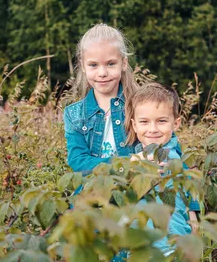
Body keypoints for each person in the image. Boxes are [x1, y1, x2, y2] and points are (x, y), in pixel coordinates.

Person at [125, 82, 200, 256]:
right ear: (134, 125)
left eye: (161, 121)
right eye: (144, 122)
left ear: (176, 124)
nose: (153, 129)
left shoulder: (167, 157)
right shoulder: (138, 157)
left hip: (168, 247)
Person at [63, 23, 138, 176]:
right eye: (93, 65)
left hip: (136, 188)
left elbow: (164, 146)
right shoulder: (74, 114)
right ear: (83, 66)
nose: (102, 73)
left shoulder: (141, 105)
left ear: (123, 63)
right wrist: (125, 165)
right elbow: (79, 162)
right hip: (94, 190)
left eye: (111, 64)